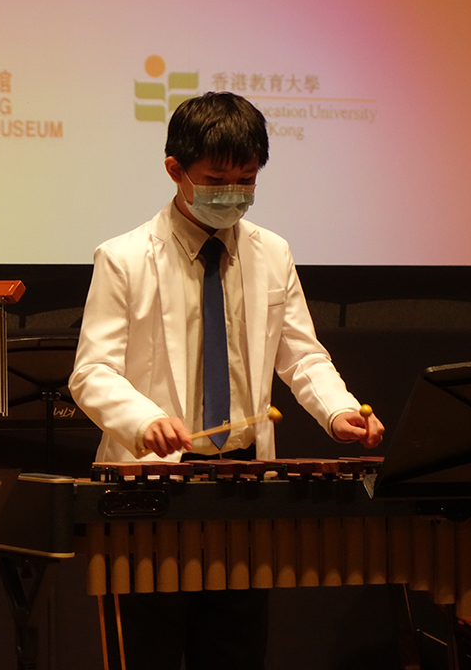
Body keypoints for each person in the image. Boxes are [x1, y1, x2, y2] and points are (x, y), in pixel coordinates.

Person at [69, 91, 383, 670]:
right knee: (148, 652)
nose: (233, 193)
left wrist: (338, 409)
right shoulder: (124, 258)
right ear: (175, 170)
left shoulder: (272, 253)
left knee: (236, 652)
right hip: (151, 485)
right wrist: (144, 420)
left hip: (243, 484)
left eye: (247, 180)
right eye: (217, 180)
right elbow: (92, 372)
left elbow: (301, 355)